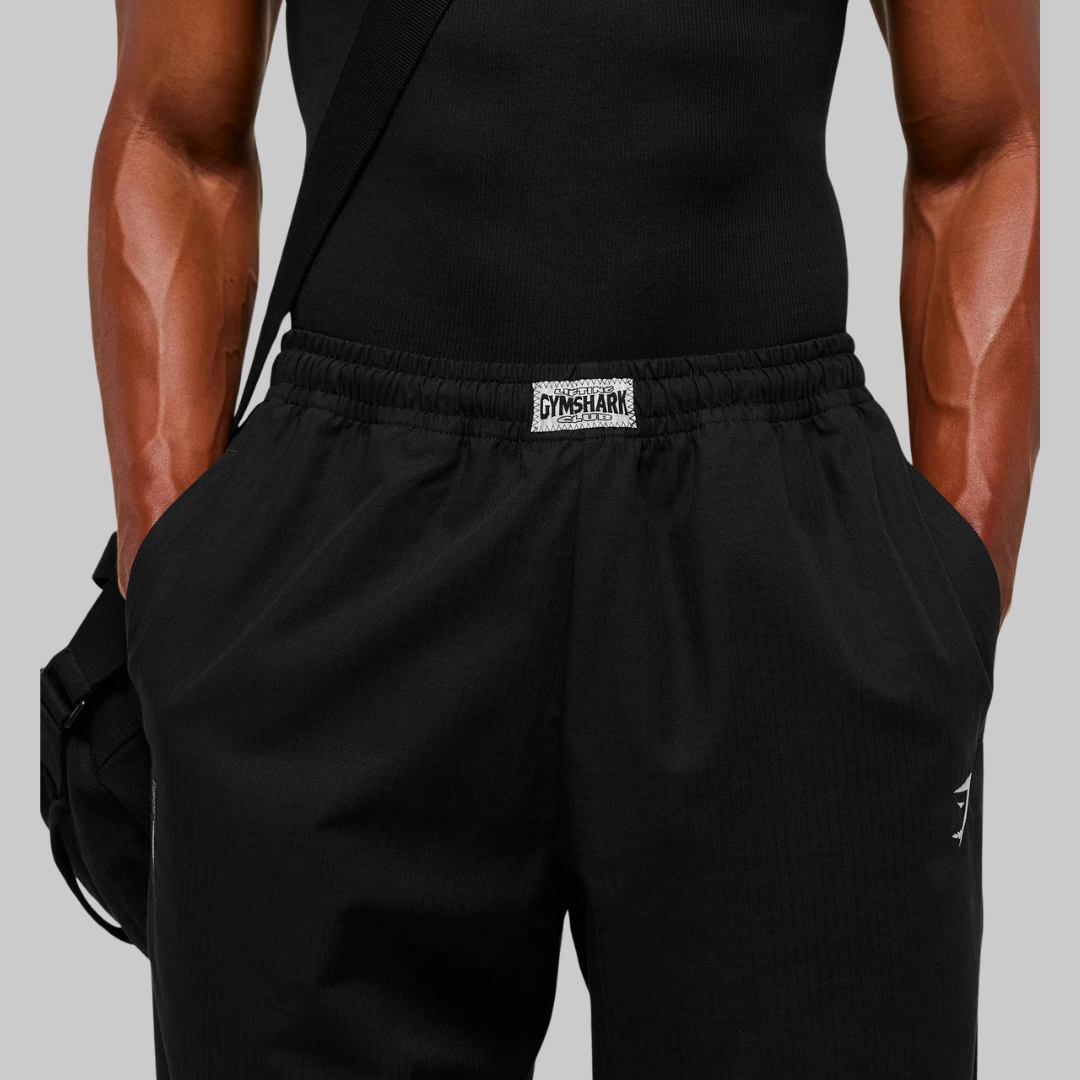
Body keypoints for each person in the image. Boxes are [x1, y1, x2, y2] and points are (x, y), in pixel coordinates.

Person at [89, 0, 1038, 1076]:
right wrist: (179, 582)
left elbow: (985, 143)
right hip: (350, 531)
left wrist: (952, 590)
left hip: (778, 542)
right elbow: (176, 130)